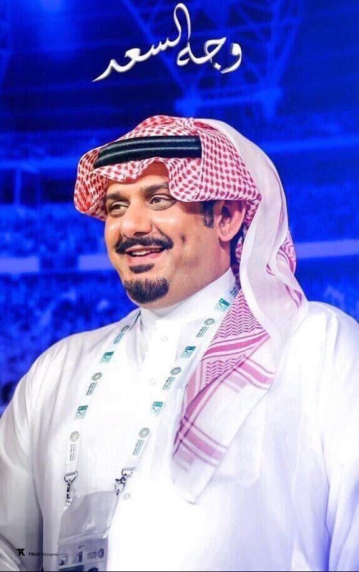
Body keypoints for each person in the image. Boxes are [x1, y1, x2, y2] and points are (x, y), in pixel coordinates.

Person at [0, 115, 358, 572]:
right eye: (114, 206)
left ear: (226, 216)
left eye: (159, 199)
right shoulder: (57, 370)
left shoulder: (318, 347)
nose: (129, 226)